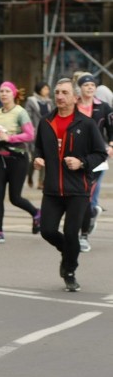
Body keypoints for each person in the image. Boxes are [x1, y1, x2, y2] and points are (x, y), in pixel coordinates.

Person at [34, 78, 107, 292]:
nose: (59, 96)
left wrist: (82, 162)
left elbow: (100, 155)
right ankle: (68, 251)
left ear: (75, 98)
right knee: (47, 230)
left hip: (78, 189)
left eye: (64, 93)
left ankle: (69, 270)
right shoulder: (46, 122)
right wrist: (38, 159)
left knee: (71, 231)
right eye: (57, 92)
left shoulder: (86, 124)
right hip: (52, 189)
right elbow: (38, 148)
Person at [0, 81, 40, 244]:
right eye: (1, 91)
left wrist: (10, 138)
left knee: (15, 198)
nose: (3, 94)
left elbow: (30, 134)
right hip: (0, 158)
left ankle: (37, 213)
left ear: (14, 94)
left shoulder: (20, 112)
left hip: (18, 159)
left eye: (7, 91)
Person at [73, 73, 113, 253]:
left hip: (97, 157)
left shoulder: (103, 107)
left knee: (87, 195)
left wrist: (111, 145)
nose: (89, 87)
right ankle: (86, 221)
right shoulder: (73, 106)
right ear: (79, 88)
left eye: (92, 85)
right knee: (79, 195)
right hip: (76, 157)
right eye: (86, 85)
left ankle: (83, 236)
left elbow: (111, 130)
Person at [24, 81, 52, 188]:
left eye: (48, 89)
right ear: (39, 89)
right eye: (45, 89)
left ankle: (42, 182)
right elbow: (28, 117)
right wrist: (31, 130)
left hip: (47, 133)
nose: (47, 91)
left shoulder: (49, 102)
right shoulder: (31, 101)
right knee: (35, 158)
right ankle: (30, 175)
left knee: (45, 158)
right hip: (34, 134)